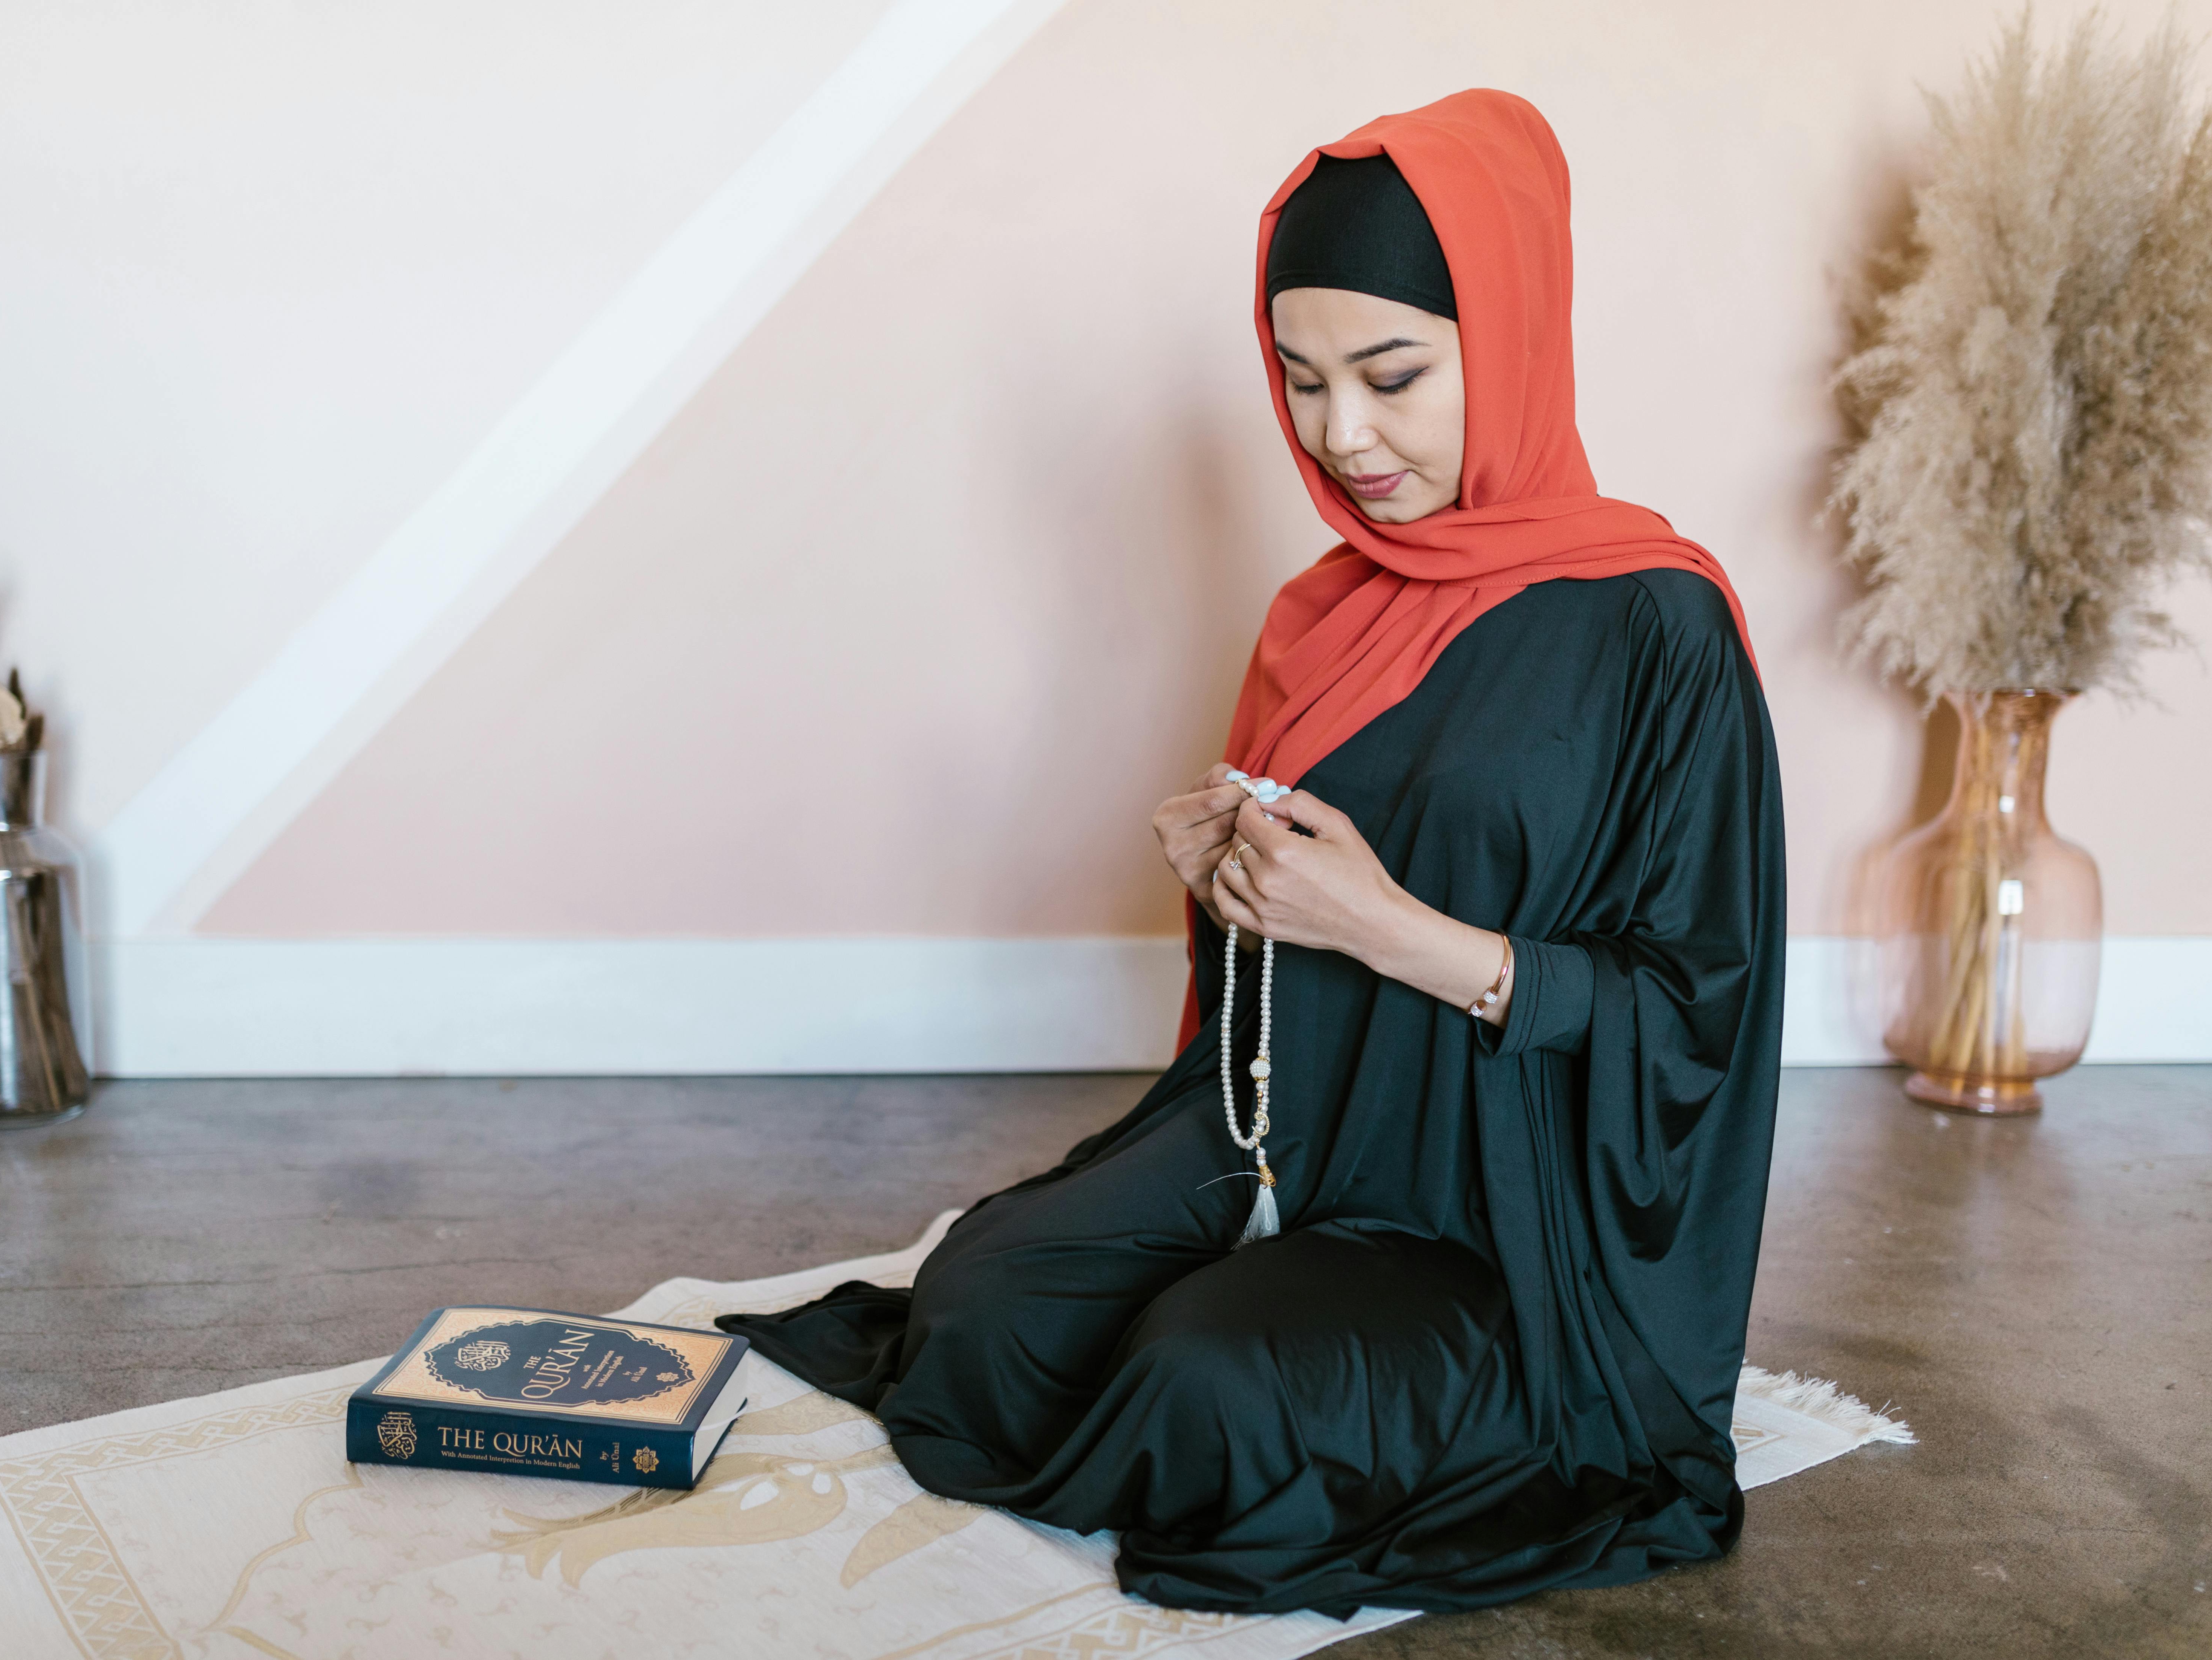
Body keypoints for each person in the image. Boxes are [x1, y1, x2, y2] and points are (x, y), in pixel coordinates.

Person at [719, 88, 1784, 1617]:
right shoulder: (1333, 610)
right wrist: (1235, 886)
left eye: (1394, 374)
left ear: (1518, 332)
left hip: (1507, 1236)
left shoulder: (1655, 626)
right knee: (981, 1306)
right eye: (1302, 381)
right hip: (1296, 1141)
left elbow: (1701, 1019)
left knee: (1213, 1390)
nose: (1344, 435)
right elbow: (1268, 1007)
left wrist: (1389, 925)